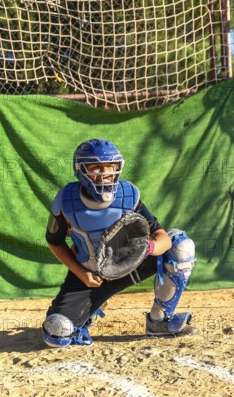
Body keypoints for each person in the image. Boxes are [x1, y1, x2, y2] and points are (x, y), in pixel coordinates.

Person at [42, 138, 196, 347]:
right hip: (90, 275)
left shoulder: (128, 195)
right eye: (96, 168)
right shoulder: (66, 200)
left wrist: (146, 248)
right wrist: (81, 274)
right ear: (81, 170)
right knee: (58, 331)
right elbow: (55, 242)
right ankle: (91, 307)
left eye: (110, 167)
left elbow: (163, 238)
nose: (105, 174)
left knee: (181, 246)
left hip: (128, 264)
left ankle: (159, 321)